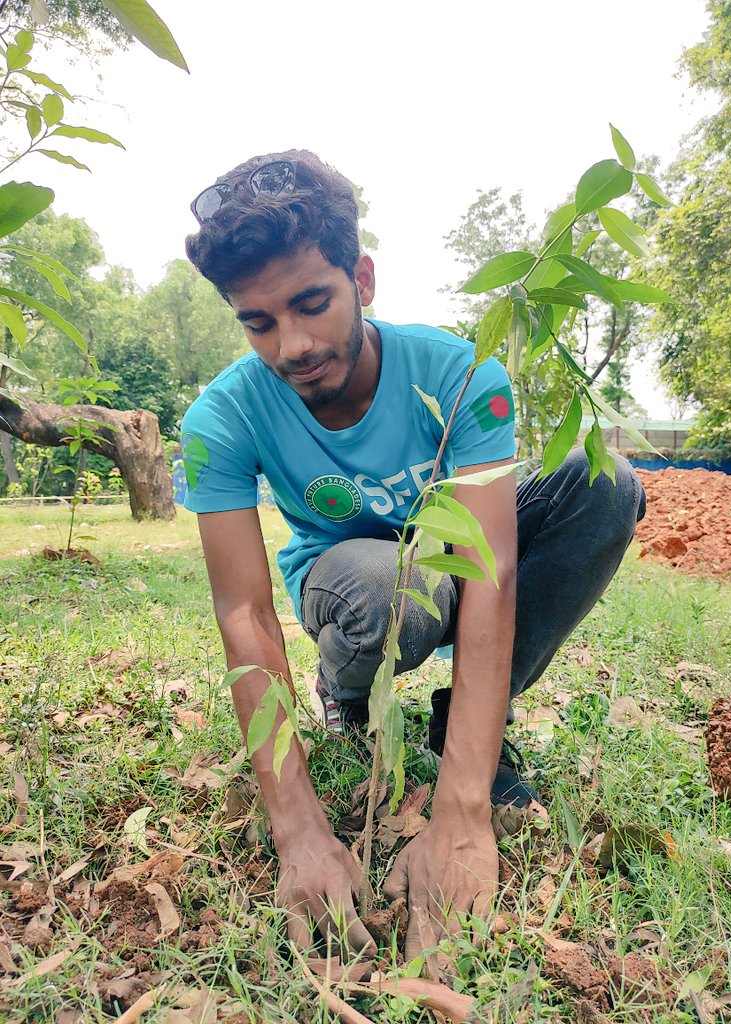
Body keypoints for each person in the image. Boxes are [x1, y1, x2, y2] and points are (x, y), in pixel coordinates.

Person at [182, 149, 646, 958]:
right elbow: (244, 611)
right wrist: (297, 828)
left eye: (311, 304)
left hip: (452, 558)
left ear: (362, 278)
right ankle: (350, 701)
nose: (290, 345)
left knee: (601, 483)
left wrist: (461, 809)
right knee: (387, 583)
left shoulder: (464, 374)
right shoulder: (219, 418)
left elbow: (492, 570)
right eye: (257, 322)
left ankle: (461, 728)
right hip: (352, 582)